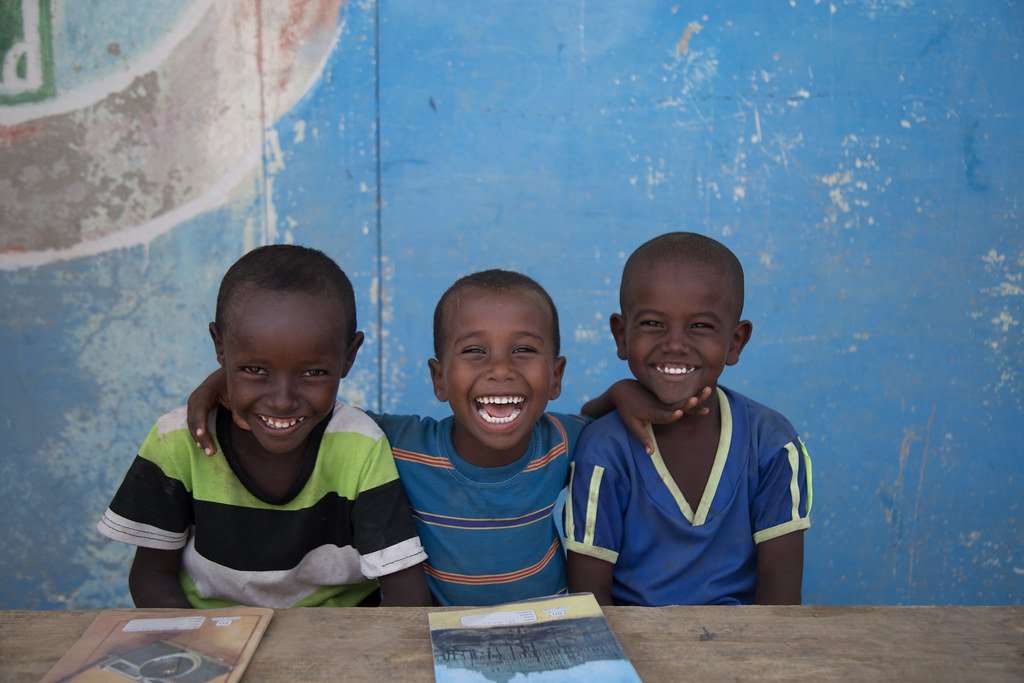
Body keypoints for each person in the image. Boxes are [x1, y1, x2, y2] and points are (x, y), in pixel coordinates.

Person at [189, 269, 709, 606]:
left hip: (546, 637)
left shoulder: (562, 440)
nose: (500, 370)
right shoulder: (395, 444)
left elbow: (599, 419)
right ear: (439, 379)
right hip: (442, 644)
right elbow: (309, 408)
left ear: (556, 377)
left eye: (524, 350)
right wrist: (226, 383)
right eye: (475, 352)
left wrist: (621, 391)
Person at [98, 245, 429, 608]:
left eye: (312, 373)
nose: (283, 400)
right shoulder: (176, 441)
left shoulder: (360, 445)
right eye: (255, 370)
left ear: (349, 355)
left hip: (336, 641)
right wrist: (193, 649)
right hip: (210, 636)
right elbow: (151, 574)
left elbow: (405, 593)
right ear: (220, 347)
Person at [565, 232, 812, 606]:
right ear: (621, 335)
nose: (675, 344)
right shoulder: (605, 449)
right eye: (652, 324)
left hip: (745, 651)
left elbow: (780, 598)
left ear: (735, 341)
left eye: (701, 326)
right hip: (632, 651)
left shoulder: (772, 444)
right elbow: (590, 599)